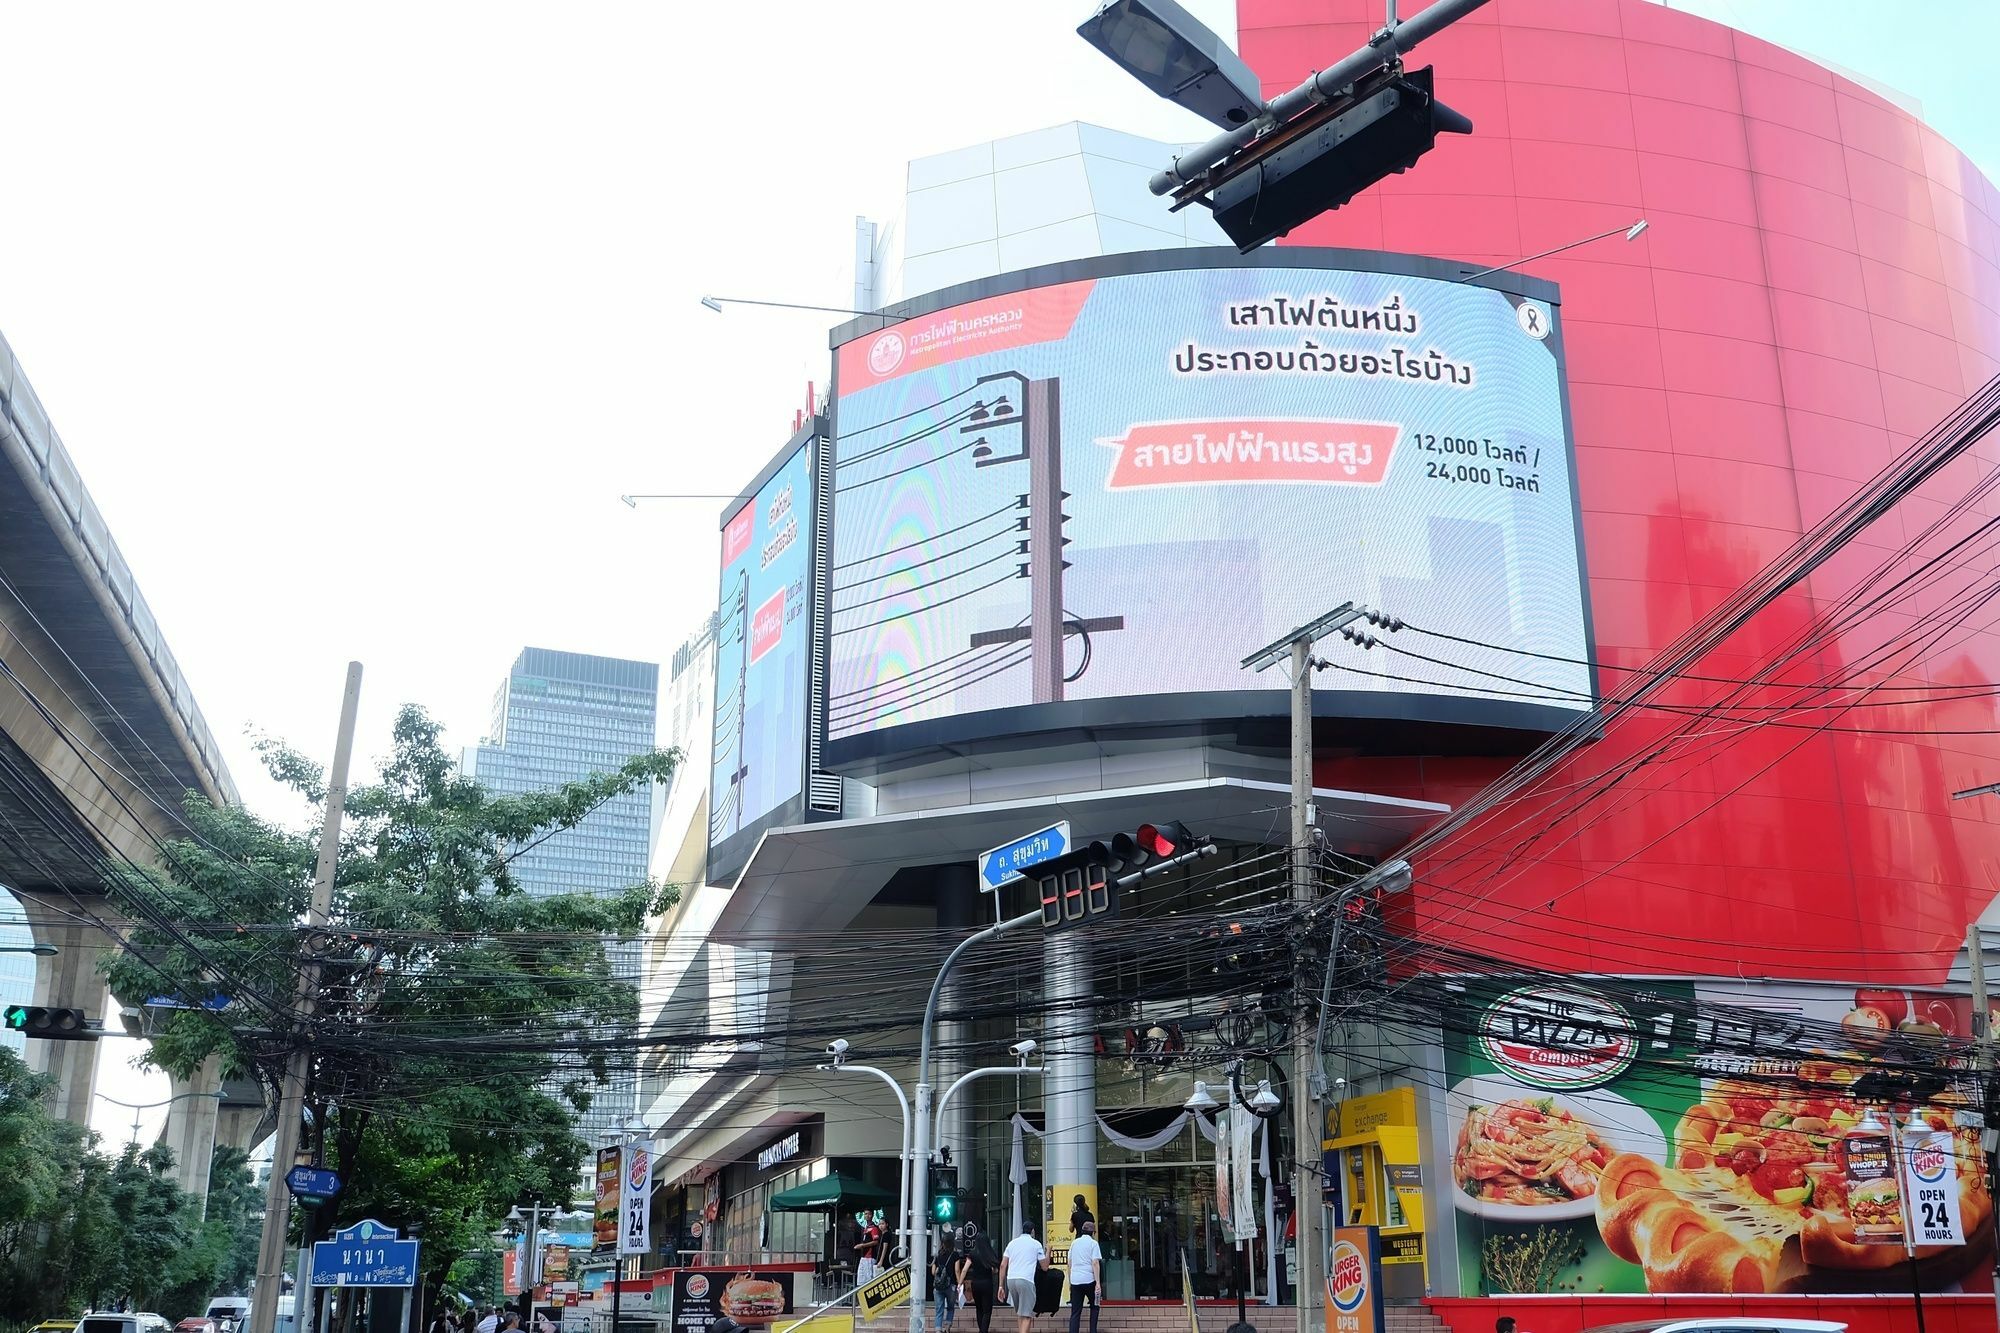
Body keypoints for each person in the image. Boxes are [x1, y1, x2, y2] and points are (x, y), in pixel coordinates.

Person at [998, 1220, 1047, 1333]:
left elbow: (1002, 1265)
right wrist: (1048, 1252)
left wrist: (1001, 1286)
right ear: (1032, 1231)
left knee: (1020, 1313)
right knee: (1026, 1315)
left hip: (1011, 1280)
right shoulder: (1036, 1244)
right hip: (1025, 1280)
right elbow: (1044, 1266)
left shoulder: (1012, 1243)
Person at [958, 1221, 1001, 1333]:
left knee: (979, 1308)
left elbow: (964, 1270)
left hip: (975, 1284)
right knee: (987, 1310)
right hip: (987, 1283)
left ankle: (981, 1330)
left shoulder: (972, 1253)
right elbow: (995, 1270)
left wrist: (960, 1283)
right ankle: (983, 1331)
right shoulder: (990, 1253)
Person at [1067, 1220, 1103, 1333]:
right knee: (1095, 1306)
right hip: (1089, 1280)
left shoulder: (1074, 1243)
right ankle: (1093, 1330)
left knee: (1075, 1311)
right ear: (1093, 1233)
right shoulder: (1093, 1244)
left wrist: (1070, 1281)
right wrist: (1098, 1283)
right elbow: (1095, 1263)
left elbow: (1069, 1263)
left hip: (1075, 1280)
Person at [934, 1231, 960, 1331]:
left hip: (938, 1286)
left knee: (939, 1309)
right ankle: (947, 1327)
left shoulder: (938, 1255)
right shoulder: (955, 1255)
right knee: (950, 1307)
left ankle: (938, 1329)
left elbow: (933, 1271)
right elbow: (957, 1270)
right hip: (951, 1285)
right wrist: (959, 1284)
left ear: (943, 1242)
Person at [856, 1211, 883, 1285]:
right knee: (860, 1280)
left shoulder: (874, 1228)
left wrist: (862, 1246)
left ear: (872, 1215)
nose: (867, 1215)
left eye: (869, 1214)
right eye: (865, 1214)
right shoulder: (866, 1228)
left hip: (870, 1257)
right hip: (863, 1256)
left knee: (869, 1281)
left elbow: (875, 1242)